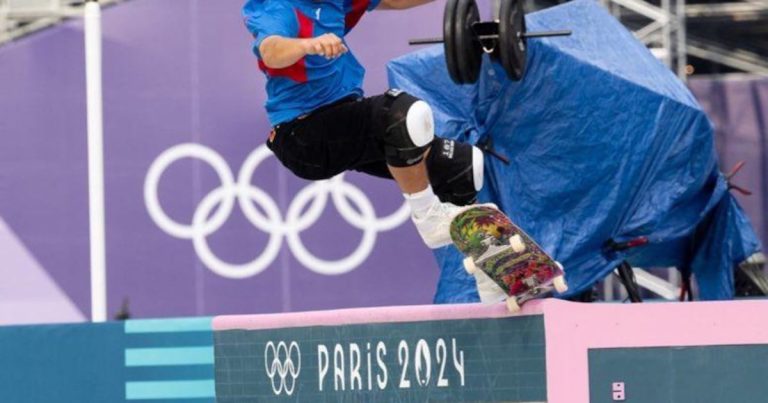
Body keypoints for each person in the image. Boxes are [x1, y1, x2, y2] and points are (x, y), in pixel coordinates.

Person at [242, 0, 487, 249]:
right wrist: (307, 45)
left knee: (463, 167)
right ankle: (428, 218)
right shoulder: (277, 7)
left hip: (342, 121)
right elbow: (271, 51)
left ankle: (487, 270)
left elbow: (394, 1)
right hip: (303, 134)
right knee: (401, 115)